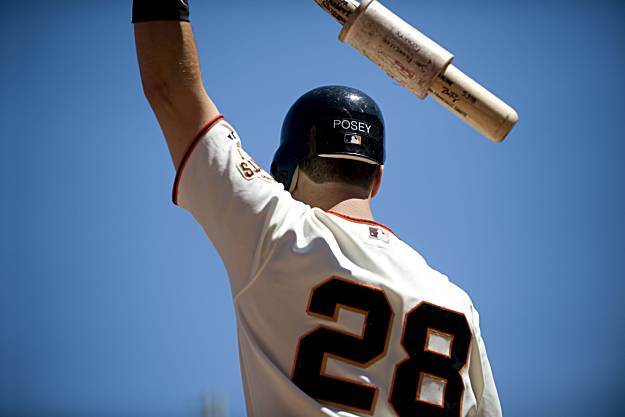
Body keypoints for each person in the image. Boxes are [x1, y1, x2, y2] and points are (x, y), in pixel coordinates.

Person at [132, 1, 503, 416]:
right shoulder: (456, 304)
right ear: (377, 178)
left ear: (286, 171)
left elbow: (170, 87)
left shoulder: (274, 231)